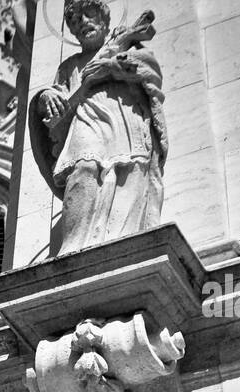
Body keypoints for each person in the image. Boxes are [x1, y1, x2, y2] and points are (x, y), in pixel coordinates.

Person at [29, 1, 166, 255]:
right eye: (75, 21)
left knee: (131, 171)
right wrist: (45, 96)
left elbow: (150, 73)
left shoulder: (128, 47)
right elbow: (56, 104)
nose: (83, 23)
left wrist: (112, 67)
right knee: (83, 169)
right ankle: (74, 245)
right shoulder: (69, 66)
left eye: (88, 15)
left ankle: (126, 239)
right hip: (87, 121)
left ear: (104, 18)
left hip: (126, 120)